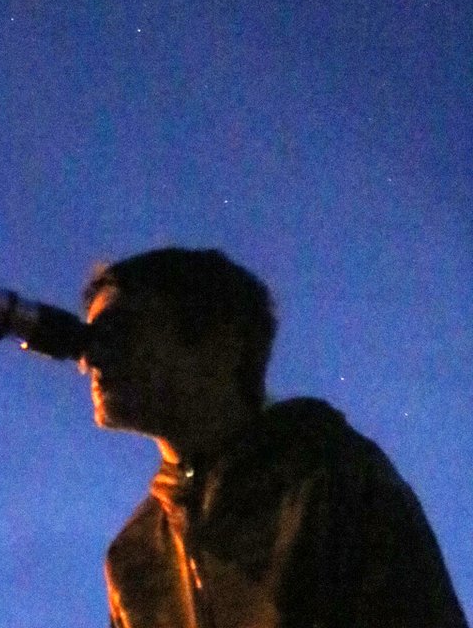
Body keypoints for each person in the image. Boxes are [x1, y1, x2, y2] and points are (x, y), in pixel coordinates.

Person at [79, 247, 468, 628]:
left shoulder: (332, 480)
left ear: (219, 342)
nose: (89, 360)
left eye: (119, 333)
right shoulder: (133, 556)